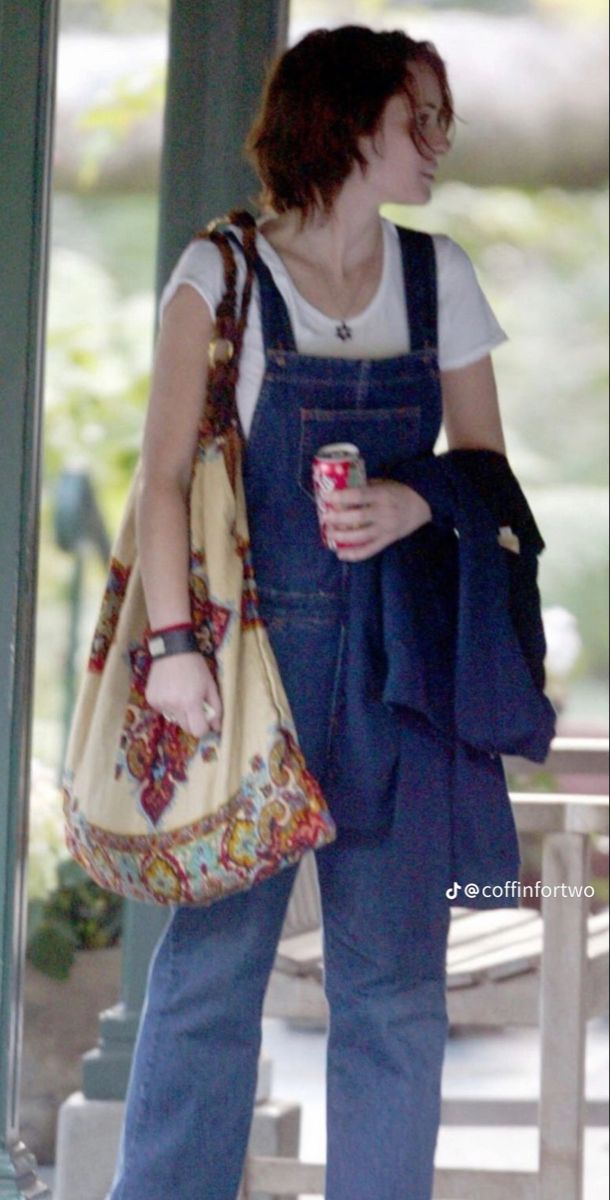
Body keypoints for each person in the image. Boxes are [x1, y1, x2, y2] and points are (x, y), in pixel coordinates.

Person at [108, 25, 528, 1200]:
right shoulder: (221, 274)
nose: (439, 144)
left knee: (394, 987)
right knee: (210, 978)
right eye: (419, 121)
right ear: (346, 125)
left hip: (401, 678)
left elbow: (490, 473)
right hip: (252, 674)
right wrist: (172, 650)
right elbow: (156, 479)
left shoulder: (440, 276)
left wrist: (410, 499)